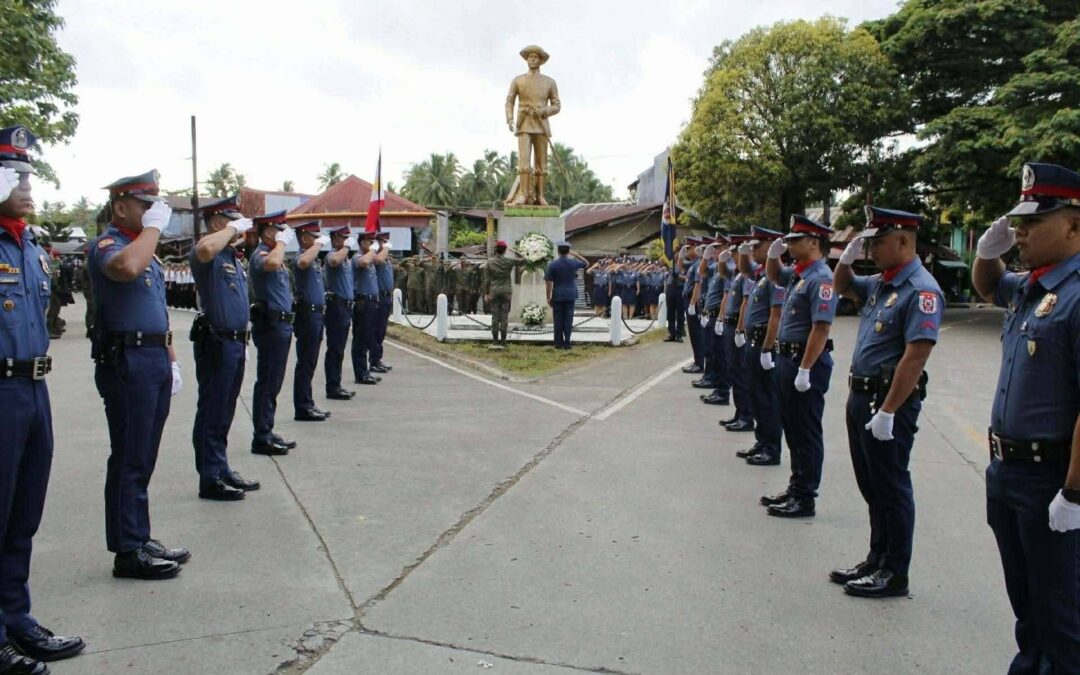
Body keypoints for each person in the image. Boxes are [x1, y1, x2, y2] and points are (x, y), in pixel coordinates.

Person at [972, 162, 1080, 672]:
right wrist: (985, 255)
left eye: (1034, 222)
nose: (1020, 231)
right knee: (1028, 608)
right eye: (1018, 221)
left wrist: (1075, 493)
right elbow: (989, 286)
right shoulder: (1032, 286)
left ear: (1074, 225)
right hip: (1008, 472)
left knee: (1062, 618)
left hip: (1051, 479)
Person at [0, 127, 85, 671]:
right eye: (16, 174)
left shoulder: (28, 245)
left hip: (33, 387)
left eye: (29, 173)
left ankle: (15, 618)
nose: (29, 183)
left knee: (22, 514)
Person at [832, 206, 943, 598]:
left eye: (878, 242)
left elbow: (915, 356)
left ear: (902, 242)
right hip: (861, 396)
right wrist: (846, 257)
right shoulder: (882, 283)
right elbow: (844, 285)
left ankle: (895, 570)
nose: (871, 250)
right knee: (871, 484)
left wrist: (889, 411)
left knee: (891, 486)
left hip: (887, 402)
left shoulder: (921, 290)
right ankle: (876, 556)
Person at [87, 169, 188, 580]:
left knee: (144, 454)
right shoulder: (108, 246)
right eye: (144, 206)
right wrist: (151, 232)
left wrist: (172, 358)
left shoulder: (148, 251)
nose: (152, 215)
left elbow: (158, 312)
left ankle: (139, 535)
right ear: (121, 206)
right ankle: (127, 550)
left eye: (154, 208)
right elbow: (127, 269)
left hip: (153, 359)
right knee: (129, 455)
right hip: (126, 362)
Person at [760, 214, 838, 518]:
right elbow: (774, 275)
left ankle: (805, 496)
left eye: (796, 241)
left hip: (806, 362)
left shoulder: (821, 278)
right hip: (787, 358)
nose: (790, 246)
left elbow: (820, 328)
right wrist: (772, 256)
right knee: (792, 427)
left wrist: (805, 368)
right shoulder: (799, 274)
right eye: (788, 241)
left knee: (805, 431)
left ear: (814, 242)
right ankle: (796, 487)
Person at [189, 194, 261, 501]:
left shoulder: (231, 257)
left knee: (226, 409)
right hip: (216, 340)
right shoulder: (207, 252)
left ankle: (221, 466)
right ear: (218, 223)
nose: (239, 228)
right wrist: (230, 230)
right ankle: (209, 476)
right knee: (212, 409)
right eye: (232, 221)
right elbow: (205, 247)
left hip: (234, 341)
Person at [248, 210, 298, 456]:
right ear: (267, 231)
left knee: (274, 381)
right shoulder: (262, 254)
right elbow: (272, 263)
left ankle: (266, 429)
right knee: (268, 381)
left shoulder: (273, 253)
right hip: (270, 326)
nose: (282, 236)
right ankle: (261, 436)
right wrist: (280, 243)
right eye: (278, 230)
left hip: (282, 325)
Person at [736, 227, 787, 466]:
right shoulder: (760, 275)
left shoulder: (777, 279)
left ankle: (772, 447)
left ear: (770, 246)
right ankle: (762, 440)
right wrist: (743, 253)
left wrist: (767, 349)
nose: (754, 251)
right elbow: (744, 268)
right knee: (756, 395)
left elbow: (775, 316)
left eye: (757, 247)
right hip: (753, 341)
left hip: (763, 342)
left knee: (767, 398)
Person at [504, 45, 561, 206]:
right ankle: (523, 194)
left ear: (541, 60)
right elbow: (509, 101)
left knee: (541, 163)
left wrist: (544, 111)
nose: (532, 59)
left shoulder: (549, 82)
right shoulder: (518, 80)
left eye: (535, 57)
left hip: (541, 125)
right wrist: (509, 118)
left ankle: (540, 196)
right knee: (524, 161)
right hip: (524, 124)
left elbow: (557, 105)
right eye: (529, 57)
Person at [291, 220, 332, 422]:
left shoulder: (315, 260)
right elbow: (303, 263)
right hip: (307, 314)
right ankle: (303, 406)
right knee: (305, 361)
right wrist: (317, 245)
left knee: (311, 361)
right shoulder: (302, 257)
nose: (318, 241)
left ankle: (307, 402)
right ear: (305, 237)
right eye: (314, 237)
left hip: (317, 314)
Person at [719, 238, 755, 431]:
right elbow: (722, 272)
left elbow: (745, 303)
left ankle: (746, 416)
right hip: (730, 325)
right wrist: (721, 260)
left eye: (736, 253)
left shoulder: (748, 276)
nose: (733, 256)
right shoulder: (737, 275)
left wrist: (740, 330)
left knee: (741, 374)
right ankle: (739, 412)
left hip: (737, 327)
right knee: (734, 371)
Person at [323, 225, 356, 400]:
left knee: (340, 349)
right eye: (343, 238)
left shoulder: (346, 260)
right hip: (336, 307)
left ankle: (336, 383)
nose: (345, 241)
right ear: (335, 238)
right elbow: (334, 261)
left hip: (345, 307)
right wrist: (347, 247)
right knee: (335, 348)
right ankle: (332, 386)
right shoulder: (332, 255)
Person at [545, 240, 588, 349]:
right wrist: (576, 255)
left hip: (558, 294)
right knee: (569, 319)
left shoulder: (552, 264)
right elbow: (587, 263)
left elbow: (549, 283)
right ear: (568, 251)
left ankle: (558, 343)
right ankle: (567, 343)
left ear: (558, 251)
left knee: (558, 319)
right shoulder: (573, 263)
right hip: (570, 294)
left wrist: (548, 297)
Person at [483, 240, 526, 348]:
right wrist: (516, 251)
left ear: (496, 250)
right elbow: (525, 260)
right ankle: (503, 341)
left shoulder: (490, 262)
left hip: (494, 291)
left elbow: (486, 280)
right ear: (505, 250)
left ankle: (495, 341)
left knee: (495, 316)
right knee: (504, 316)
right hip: (506, 291)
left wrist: (486, 294)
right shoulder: (509, 261)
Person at [351, 233, 381, 385]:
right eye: (370, 241)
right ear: (363, 243)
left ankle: (365, 370)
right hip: (363, 303)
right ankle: (361, 373)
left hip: (372, 303)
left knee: (368, 338)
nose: (373, 244)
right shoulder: (358, 257)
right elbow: (363, 262)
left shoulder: (370, 258)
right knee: (361, 340)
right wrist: (373, 251)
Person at [370, 231, 394, 374]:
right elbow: (378, 260)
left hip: (386, 297)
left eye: (386, 242)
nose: (385, 244)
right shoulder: (375, 256)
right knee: (376, 330)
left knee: (381, 330)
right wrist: (384, 248)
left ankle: (377, 358)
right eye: (382, 241)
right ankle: (374, 360)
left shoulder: (387, 257)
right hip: (378, 297)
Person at [681, 240, 705, 373]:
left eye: (690, 248)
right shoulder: (694, 264)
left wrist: (692, 303)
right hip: (689, 299)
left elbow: (698, 285)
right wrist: (680, 257)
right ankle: (697, 360)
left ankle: (700, 363)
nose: (688, 250)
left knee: (697, 333)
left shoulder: (701, 264)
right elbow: (679, 269)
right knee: (693, 333)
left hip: (693, 300)